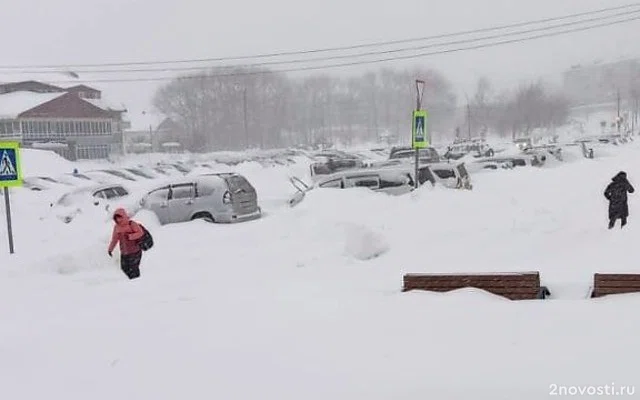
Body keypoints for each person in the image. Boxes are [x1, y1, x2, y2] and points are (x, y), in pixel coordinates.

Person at [108, 208, 145, 279]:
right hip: (124, 252)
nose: (118, 220)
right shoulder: (116, 227)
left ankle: (137, 284)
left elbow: (140, 233)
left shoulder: (131, 224)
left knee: (134, 270)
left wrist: (130, 236)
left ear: (124, 216)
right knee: (124, 268)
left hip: (135, 251)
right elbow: (114, 239)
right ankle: (130, 284)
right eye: (116, 218)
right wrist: (110, 249)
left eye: (119, 217)